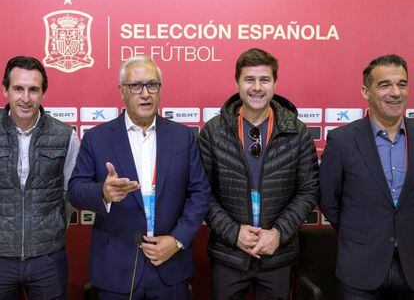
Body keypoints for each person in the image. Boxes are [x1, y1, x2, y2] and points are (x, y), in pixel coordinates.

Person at [68, 55, 210, 299]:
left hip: (170, 264)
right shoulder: (97, 138)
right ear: (122, 91)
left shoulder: (182, 137)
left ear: (160, 89)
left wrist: (177, 241)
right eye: (136, 86)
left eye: (152, 85)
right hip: (116, 266)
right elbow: (75, 190)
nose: (145, 93)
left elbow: (200, 193)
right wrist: (102, 192)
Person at [198, 48, 319, 299]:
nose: (256, 87)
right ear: (237, 82)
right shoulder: (213, 132)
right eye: (249, 79)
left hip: (277, 253)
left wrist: (278, 233)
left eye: (264, 80)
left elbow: (308, 191)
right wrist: (234, 233)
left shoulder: (297, 132)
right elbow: (201, 192)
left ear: (275, 83)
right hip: (229, 254)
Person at [319, 54, 414, 299]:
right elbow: (329, 199)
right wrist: (359, 231)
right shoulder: (342, 140)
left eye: (402, 84)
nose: (396, 92)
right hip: (360, 269)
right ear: (365, 91)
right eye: (385, 85)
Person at [0, 56, 80, 299]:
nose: (26, 98)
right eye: (18, 88)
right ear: (5, 90)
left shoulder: (66, 136)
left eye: (33, 89)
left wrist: (50, 228)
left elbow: (72, 193)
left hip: (48, 259)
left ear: (43, 93)